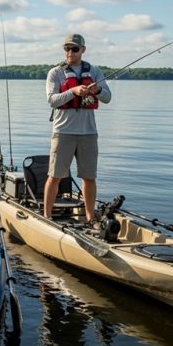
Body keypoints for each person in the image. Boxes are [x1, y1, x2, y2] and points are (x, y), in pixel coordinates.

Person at [45, 33, 111, 225]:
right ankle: (47, 216)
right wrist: (73, 91)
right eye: (67, 49)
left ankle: (90, 218)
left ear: (83, 50)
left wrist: (95, 90)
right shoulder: (55, 73)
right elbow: (51, 100)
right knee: (55, 176)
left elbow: (107, 97)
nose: (70, 53)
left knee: (89, 177)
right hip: (63, 132)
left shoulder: (95, 71)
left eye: (74, 49)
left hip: (88, 133)